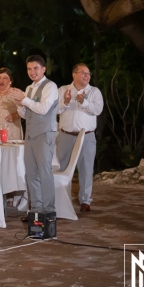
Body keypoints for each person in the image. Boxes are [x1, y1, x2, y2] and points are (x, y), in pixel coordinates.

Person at [10, 55, 58, 216]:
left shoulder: (50, 86)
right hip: (30, 135)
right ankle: (36, 209)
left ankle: (49, 210)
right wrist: (19, 105)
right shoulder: (29, 88)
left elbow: (44, 109)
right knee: (30, 172)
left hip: (45, 133)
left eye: (35, 68)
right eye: (29, 69)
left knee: (44, 172)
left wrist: (25, 99)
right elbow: (26, 114)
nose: (32, 72)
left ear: (43, 69)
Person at [57, 63, 104, 212]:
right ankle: (62, 197)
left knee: (86, 168)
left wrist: (83, 102)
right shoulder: (63, 90)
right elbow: (54, 110)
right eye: (83, 72)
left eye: (88, 73)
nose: (86, 75)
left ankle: (85, 200)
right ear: (74, 74)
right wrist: (65, 101)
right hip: (66, 135)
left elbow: (98, 109)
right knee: (61, 167)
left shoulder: (94, 91)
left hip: (87, 136)